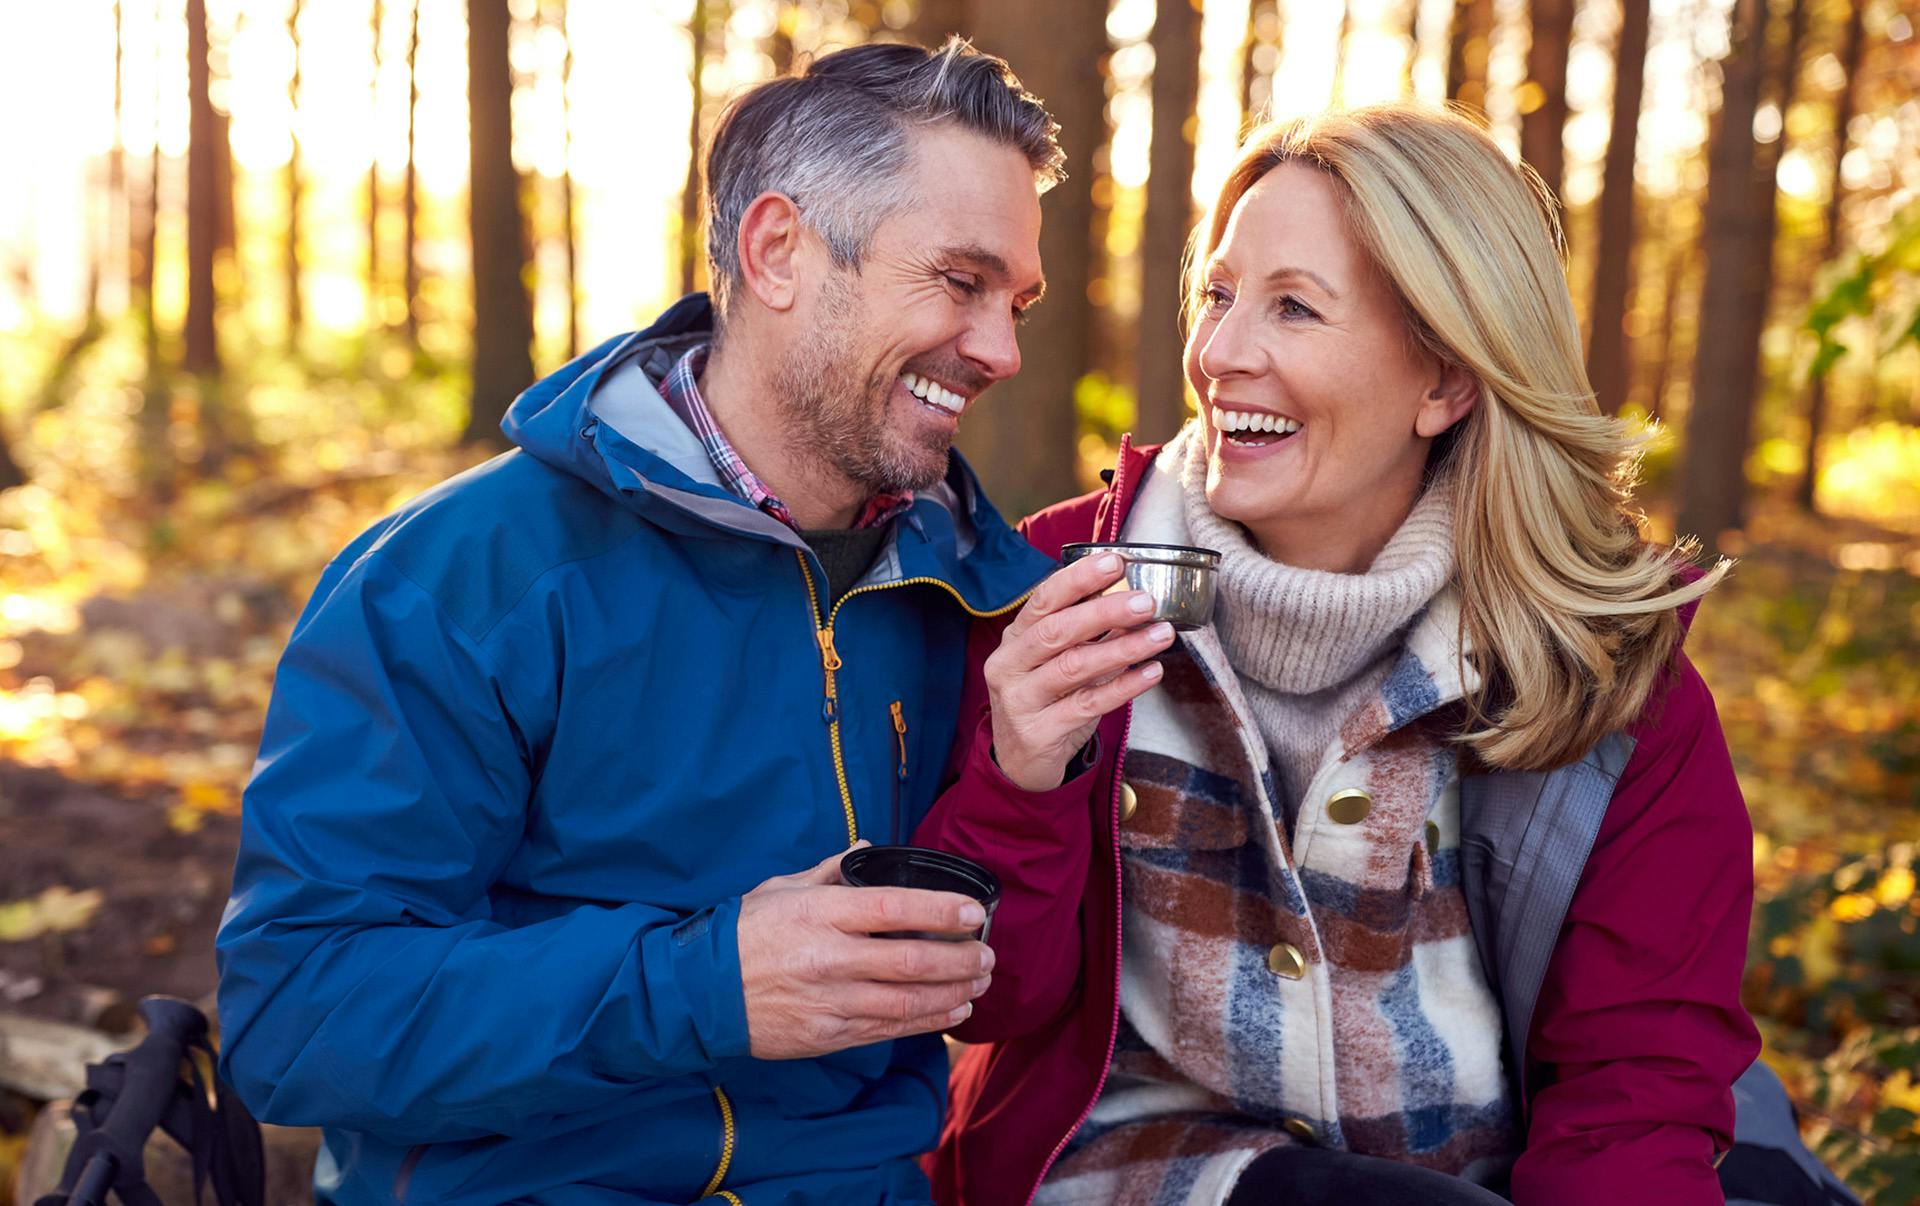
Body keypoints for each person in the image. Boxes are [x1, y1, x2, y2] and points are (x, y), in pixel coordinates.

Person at [214, 40, 1065, 1205]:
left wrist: (1031, 780)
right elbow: (299, 1012)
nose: (1002, 350)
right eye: (959, 283)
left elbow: (1003, 986)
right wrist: (704, 984)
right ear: (778, 252)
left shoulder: (969, 586)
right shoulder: (460, 578)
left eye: (1015, 302)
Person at [915, 105, 1765, 1205]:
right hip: (1133, 1175)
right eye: (1218, 296)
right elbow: (987, 1004)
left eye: (1295, 309)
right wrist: (1020, 776)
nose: (1220, 354)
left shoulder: (1601, 671)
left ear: (1446, 383)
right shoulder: (1056, 589)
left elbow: (1634, 1086)